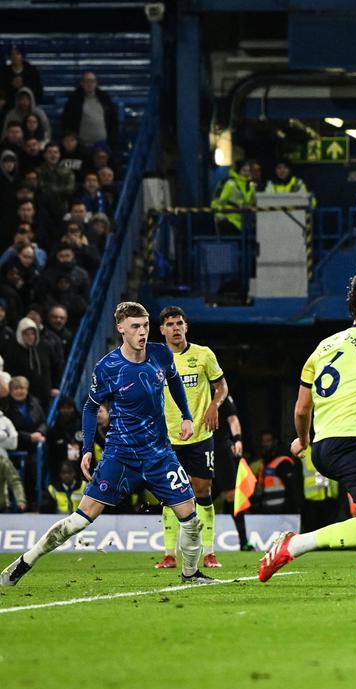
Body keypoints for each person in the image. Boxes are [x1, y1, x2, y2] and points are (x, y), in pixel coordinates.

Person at [2, 302, 205, 587]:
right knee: (79, 520)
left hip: (159, 453)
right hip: (120, 456)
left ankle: (191, 575)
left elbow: (174, 381)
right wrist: (87, 449)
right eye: (135, 326)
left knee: (191, 518)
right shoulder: (108, 367)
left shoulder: (161, 354)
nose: (142, 332)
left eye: (145, 326)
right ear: (121, 328)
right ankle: (25, 561)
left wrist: (186, 416)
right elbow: (90, 407)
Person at [258, 270, 356, 594]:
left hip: (323, 448)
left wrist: (303, 440)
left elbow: (302, 409)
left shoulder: (324, 346)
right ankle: (294, 545)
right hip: (353, 444)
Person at [153, 306, 229, 571]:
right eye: (170, 324)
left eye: (179, 323)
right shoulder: (154, 359)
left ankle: (209, 552)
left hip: (200, 434)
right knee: (169, 494)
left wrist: (214, 405)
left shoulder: (203, 354)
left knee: (202, 491)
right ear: (161, 329)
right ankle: (169, 554)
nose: (175, 328)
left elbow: (221, 386)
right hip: (167, 438)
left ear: (186, 327)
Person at [59, 72, 118, 149]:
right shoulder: (74, 101)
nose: (90, 84)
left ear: (96, 83)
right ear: (82, 83)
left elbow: (113, 119)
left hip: (102, 147)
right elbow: (67, 122)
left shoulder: (104, 99)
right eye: (87, 81)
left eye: (92, 81)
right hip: (82, 146)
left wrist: (112, 139)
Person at [210, 160, 256, 234]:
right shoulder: (229, 183)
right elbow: (216, 202)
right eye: (244, 170)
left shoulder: (251, 186)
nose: (247, 173)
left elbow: (252, 203)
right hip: (229, 220)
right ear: (238, 171)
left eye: (248, 171)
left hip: (245, 222)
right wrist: (220, 218)